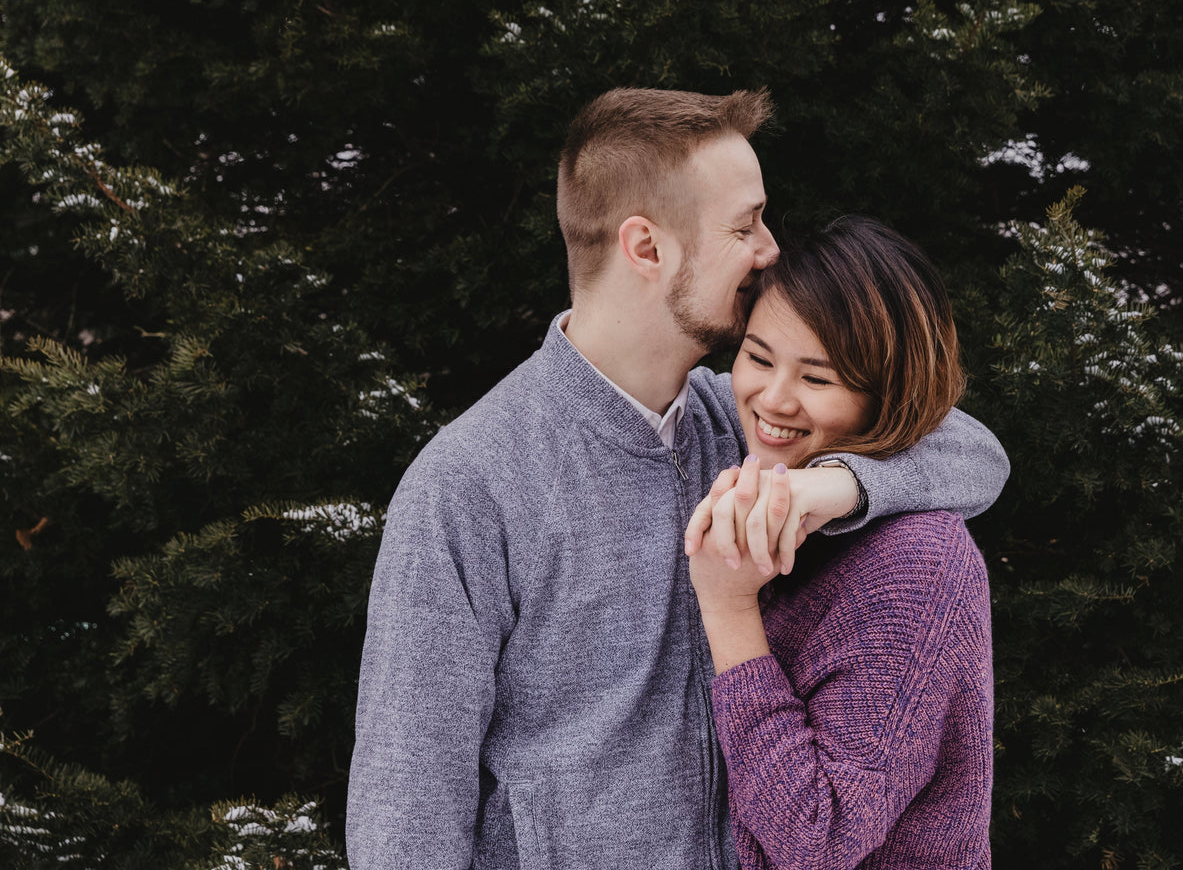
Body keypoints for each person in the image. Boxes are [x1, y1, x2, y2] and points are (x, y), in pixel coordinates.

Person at [346, 88, 1009, 869]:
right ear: (647, 248)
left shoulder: (739, 425)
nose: (769, 250)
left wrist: (835, 487)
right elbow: (404, 814)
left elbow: (969, 449)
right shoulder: (472, 483)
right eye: (744, 224)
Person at [685, 216, 995, 870]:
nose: (772, 399)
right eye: (758, 357)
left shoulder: (917, 560)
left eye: (816, 379)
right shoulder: (739, 455)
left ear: (886, 396)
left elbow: (817, 838)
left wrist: (729, 608)